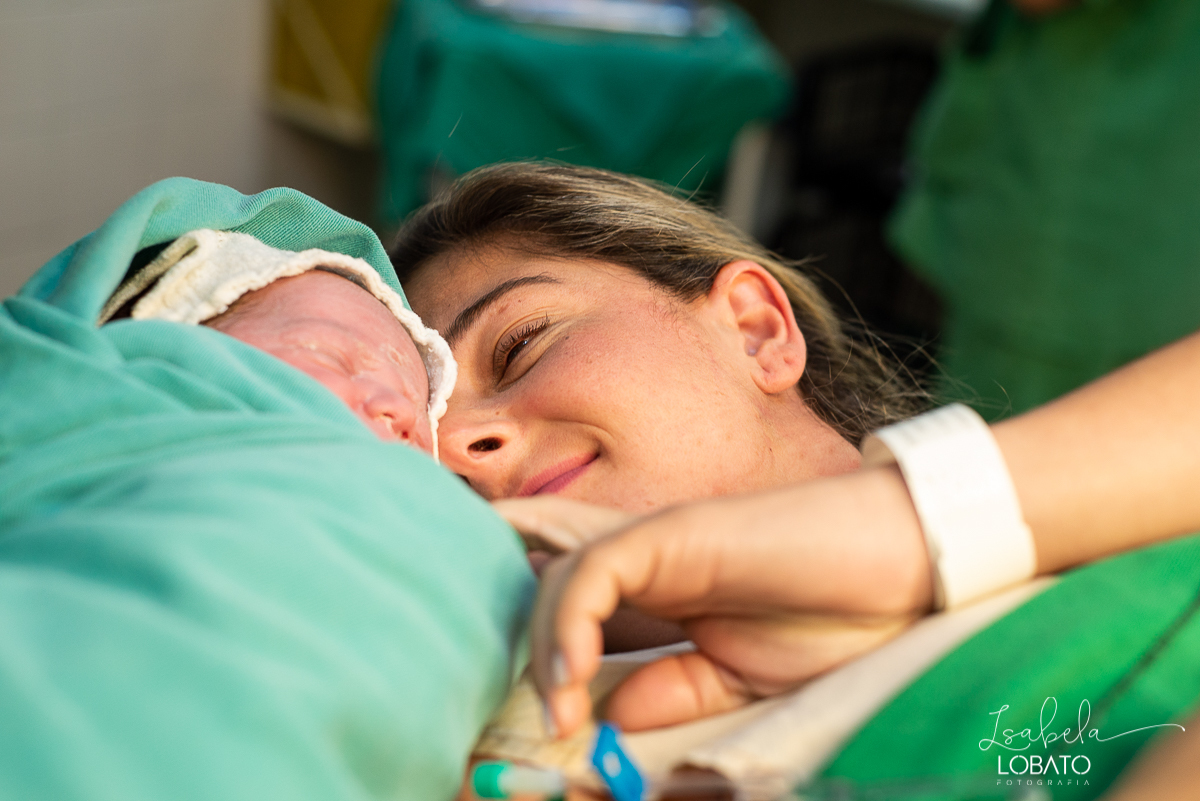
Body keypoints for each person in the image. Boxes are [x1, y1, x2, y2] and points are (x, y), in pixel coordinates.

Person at [391, 161, 1200, 798]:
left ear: (755, 330)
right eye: (417, 447)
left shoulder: (1128, 511)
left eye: (521, 343)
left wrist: (904, 533)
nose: (457, 443)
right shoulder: (494, 752)